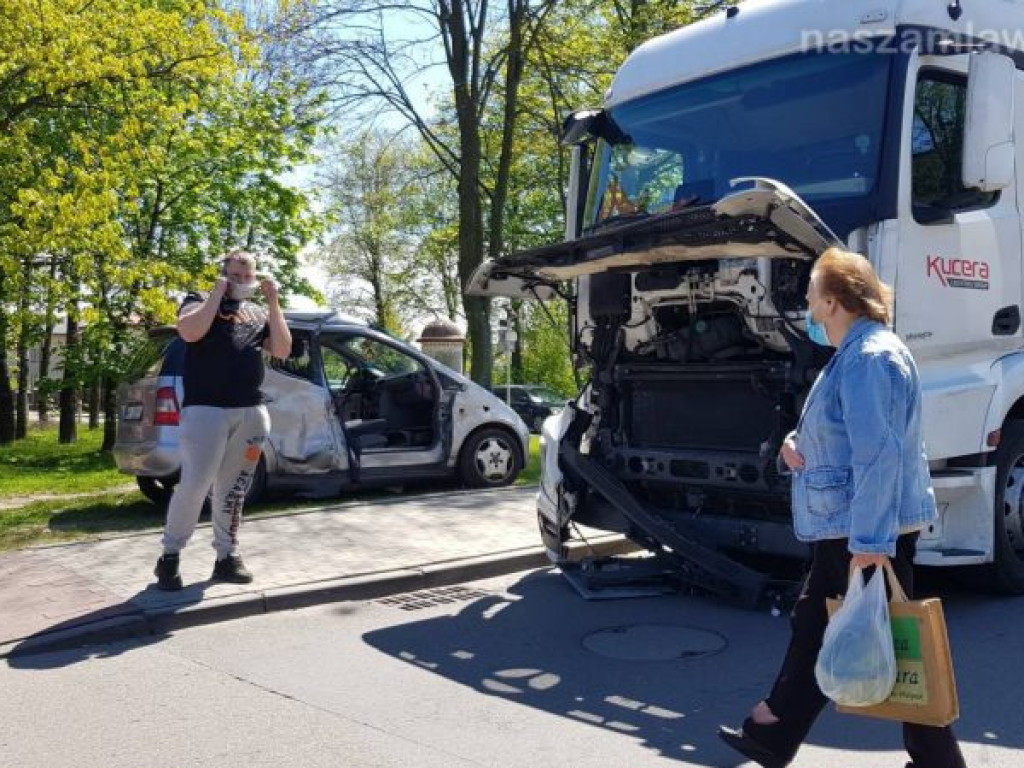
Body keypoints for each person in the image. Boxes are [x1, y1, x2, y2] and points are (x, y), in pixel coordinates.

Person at [719, 248, 967, 768]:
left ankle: (935, 760)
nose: (806, 305)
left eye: (811, 294)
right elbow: (842, 435)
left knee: (897, 641)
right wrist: (795, 443)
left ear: (833, 301)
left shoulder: (869, 359)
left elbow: (878, 455)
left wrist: (870, 545)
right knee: (818, 620)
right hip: (854, 522)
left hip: (862, 525)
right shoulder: (856, 356)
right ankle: (774, 729)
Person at [153, 250, 291, 591]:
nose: (243, 282)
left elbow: (283, 349)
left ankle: (227, 556)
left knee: (234, 490)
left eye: (249, 277)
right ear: (223, 274)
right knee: (196, 484)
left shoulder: (257, 311)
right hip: (206, 411)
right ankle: (170, 556)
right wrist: (217, 293)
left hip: (249, 412)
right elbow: (189, 332)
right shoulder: (198, 300)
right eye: (236, 275)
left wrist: (274, 304)